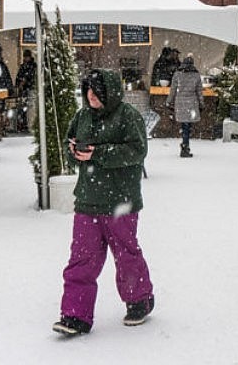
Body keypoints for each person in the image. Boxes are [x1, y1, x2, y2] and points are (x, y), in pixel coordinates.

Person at [53, 69, 154, 337]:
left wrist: (99, 153)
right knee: (81, 259)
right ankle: (75, 315)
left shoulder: (128, 116)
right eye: (88, 90)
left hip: (120, 199)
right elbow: (69, 142)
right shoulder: (82, 116)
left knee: (126, 254)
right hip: (87, 199)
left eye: (97, 91)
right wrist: (75, 152)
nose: (91, 96)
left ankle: (138, 301)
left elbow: (137, 150)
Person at [166, 55, 203, 158]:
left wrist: (169, 102)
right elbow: (199, 92)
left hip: (180, 103)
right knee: (187, 126)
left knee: (184, 125)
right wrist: (201, 104)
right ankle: (185, 147)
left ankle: (184, 145)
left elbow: (172, 90)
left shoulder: (177, 75)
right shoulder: (196, 75)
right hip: (191, 103)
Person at [14, 49, 36, 132]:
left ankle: (29, 125)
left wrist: (23, 82)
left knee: (30, 107)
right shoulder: (24, 66)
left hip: (30, 89)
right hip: (25, 90)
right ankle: (24, 124)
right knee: (24, 107)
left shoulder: (32, 66)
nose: (25, 58)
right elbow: (19, 77)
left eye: (26, 57)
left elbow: (29, 76)